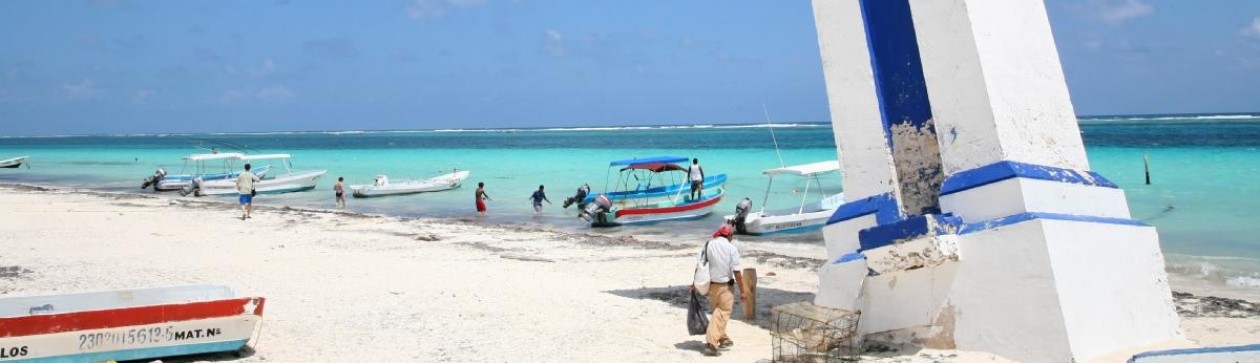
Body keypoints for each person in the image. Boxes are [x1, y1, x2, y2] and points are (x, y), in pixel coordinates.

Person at [691, 223, 747, 357]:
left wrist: (693, 283)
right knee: (723, 312)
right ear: (729, 235)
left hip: (711, 286)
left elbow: (700, 266)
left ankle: (724, 339)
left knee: (717, 312)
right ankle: (712, 341)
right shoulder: (731, 248)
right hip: (725, 286)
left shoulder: (708, 245)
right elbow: (737, 272)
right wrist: (743, 290)